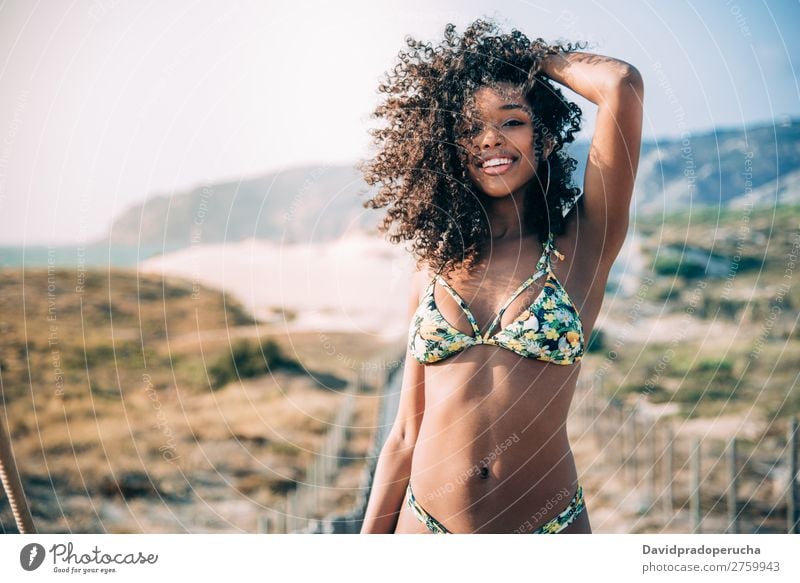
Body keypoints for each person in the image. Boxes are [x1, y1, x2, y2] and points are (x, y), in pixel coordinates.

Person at [359, 18, 643, 534]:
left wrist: (531, 60)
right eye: (470, 128)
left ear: (545, 135)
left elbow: (621, 84)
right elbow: (404, 436)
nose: (491, 139)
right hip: (423, 529)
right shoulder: (435, 263)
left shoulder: (582, 245)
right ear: (450, 148)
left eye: (512, 121)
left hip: (547, 530)